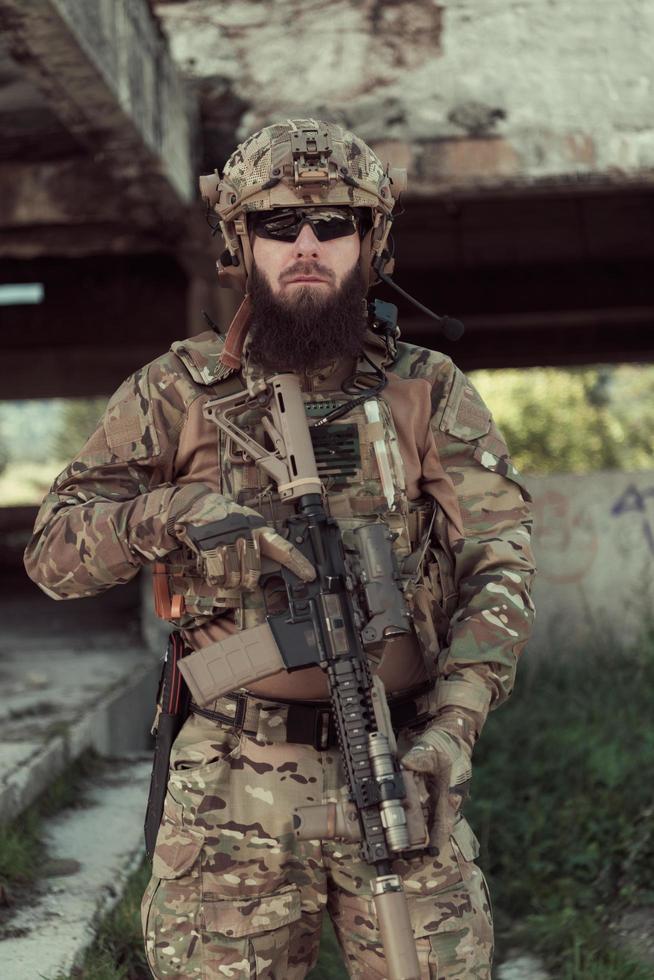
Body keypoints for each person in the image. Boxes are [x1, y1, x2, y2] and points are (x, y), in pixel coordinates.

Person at [24, 119, 535, 979]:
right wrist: (171, 512)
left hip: (402, 765)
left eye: (334, 225)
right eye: (278, 225)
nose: (307, 244)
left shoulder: (427, 390)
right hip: (231, 788)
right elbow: (54, 556)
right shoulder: (177, 391)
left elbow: (500, 565)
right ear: (241, 243)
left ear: (371, 243)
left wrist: (452, 729)